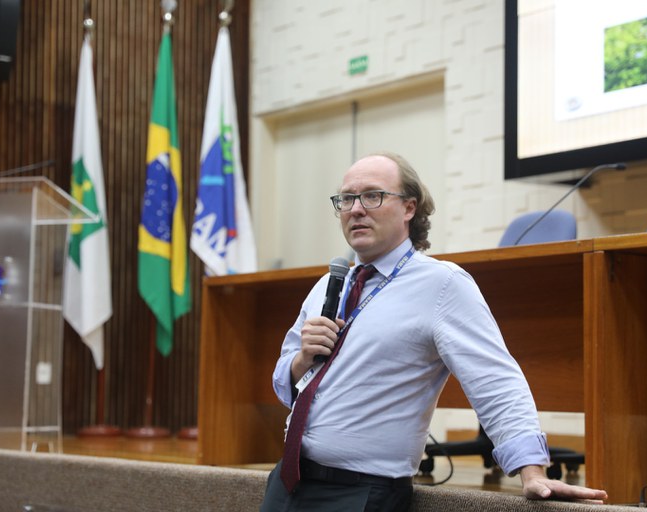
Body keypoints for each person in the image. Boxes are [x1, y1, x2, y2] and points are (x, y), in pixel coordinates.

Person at [260, 152, 608, 511]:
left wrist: (531, 472)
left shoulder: (443, 285)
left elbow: (496, 380)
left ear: (409, 208)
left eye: (372, 196)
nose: (356, 209)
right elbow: (284, 382)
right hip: (288, 483)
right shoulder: (327, 285)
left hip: (360, 493)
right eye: (346, 198)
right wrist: (301, 360)